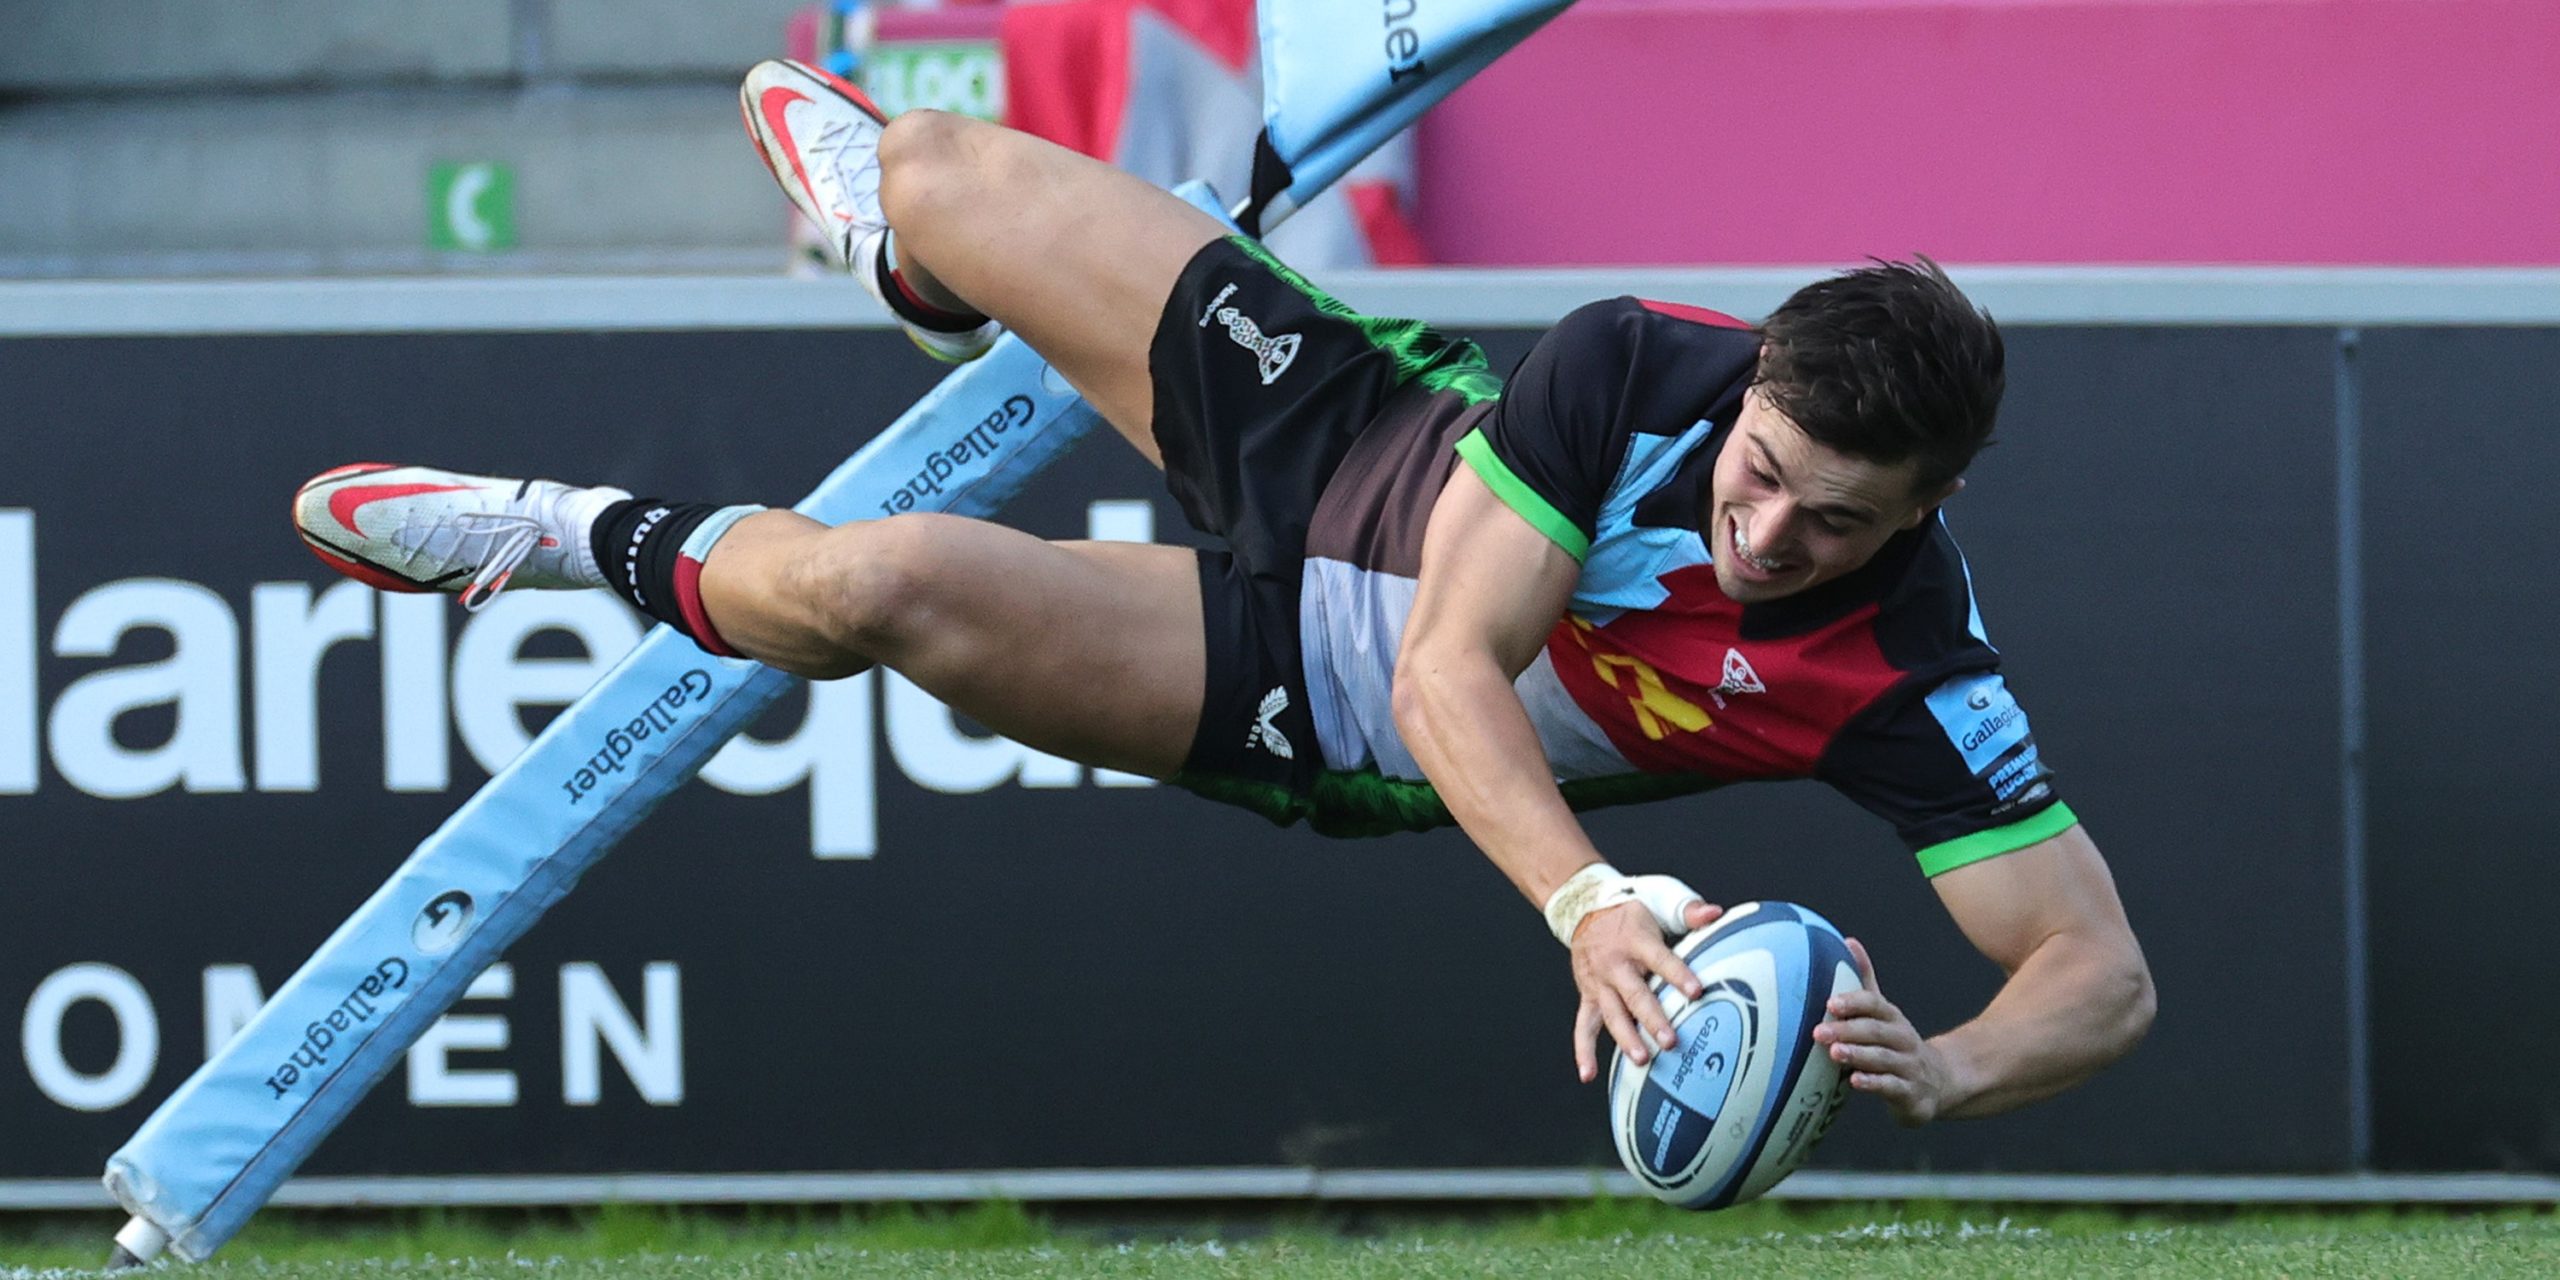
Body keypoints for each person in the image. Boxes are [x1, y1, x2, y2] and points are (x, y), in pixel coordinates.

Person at [294, 60, 2153, 1122]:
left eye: (1834, 522)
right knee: (932, 161)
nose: (1767, 536)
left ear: (1934, 504)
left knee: (879, 587)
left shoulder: (1911, 672)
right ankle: (914, 264)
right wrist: (1590, 903)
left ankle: (558, 535)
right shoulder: (1640, 361)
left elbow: (2100, 975)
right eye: (1762, 473)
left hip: (1306, 695)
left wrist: (1945, 1069)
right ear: (1751, 383)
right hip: (1352, 442)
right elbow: (1457, 659)